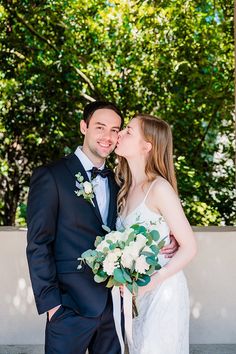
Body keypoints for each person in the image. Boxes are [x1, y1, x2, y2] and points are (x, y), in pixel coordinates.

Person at [26, 101, 178, 354]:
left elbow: (137, 223)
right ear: (84, 127)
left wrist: (166, 236)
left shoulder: (121, 182)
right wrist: (52, 305)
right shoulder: (51, 176)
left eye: (115, 129)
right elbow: (38, 244)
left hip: (114, 307)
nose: (108, 136)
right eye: (100, 127)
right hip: (69, 307)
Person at [115, 114, 197, 354]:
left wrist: (155, 280)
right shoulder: (124, 186)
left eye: (128, 131)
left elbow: (190, 247)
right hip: (137, 294)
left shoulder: (159, 188)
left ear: (146, 146)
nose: (119, 134)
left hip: (163, 292)